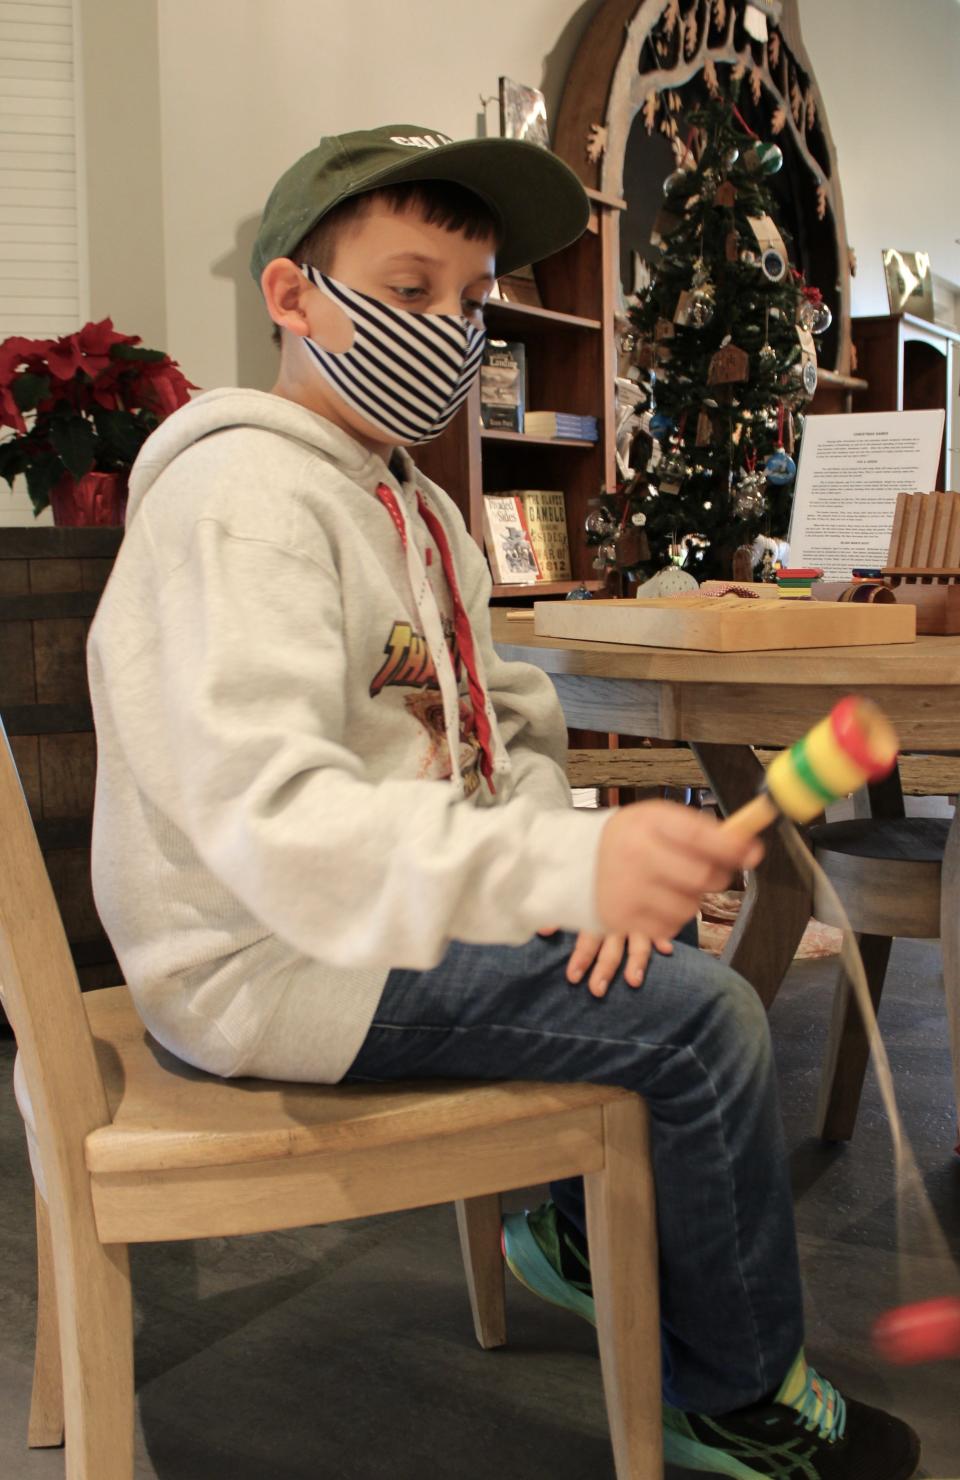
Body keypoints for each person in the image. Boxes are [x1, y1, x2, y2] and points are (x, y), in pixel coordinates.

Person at [87, 124, 920, 1480]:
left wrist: (564, 852)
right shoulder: (238, 502)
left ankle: (576, 1231)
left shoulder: (416, 505)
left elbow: (502, 734)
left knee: (641, 955)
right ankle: (728, 1390)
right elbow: (275, 824)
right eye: (408, 290)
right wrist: (552, 877)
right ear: (293, 296)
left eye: (469, 303)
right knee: (707, 1019)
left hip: (370, 923)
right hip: (271, 956)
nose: (449, 331)